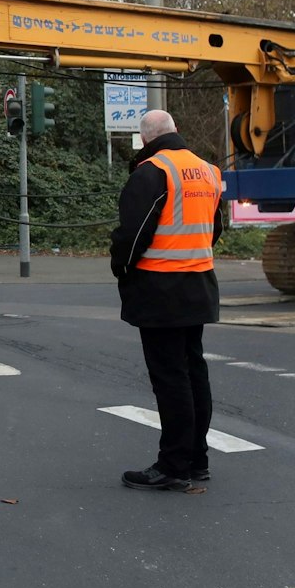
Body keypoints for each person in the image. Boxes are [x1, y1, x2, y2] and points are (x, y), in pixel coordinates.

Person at [109, 110, 223, 492]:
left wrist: (121, 268)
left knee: (170, 379)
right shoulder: (208, 170)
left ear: (144, 139)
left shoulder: (152, 172)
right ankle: (196, 459)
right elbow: (215, 227)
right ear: (176, 131)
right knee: (194, 373)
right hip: (199, 284)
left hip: (161, 290)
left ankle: (173, 465)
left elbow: (132, 235)